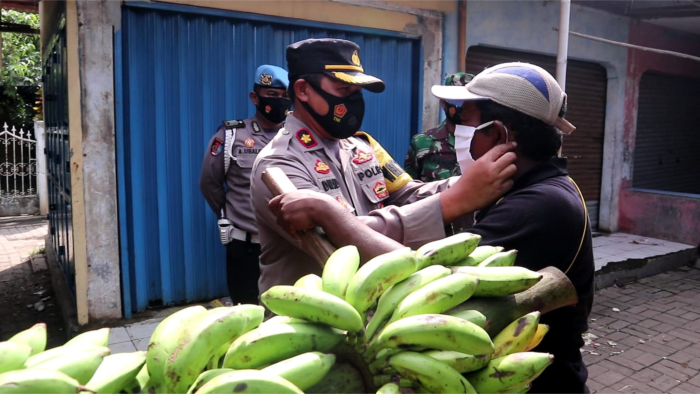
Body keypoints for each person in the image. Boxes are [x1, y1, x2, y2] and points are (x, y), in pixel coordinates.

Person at [272, 62, 594, 393]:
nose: (453, 131)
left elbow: (431, 286)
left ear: (498, 133)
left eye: (462, 120)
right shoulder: (521, 190)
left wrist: (331, 215)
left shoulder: (540, 206)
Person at [250, 38, 517, 295]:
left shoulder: (360, 147)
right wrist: (451, 202)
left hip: (370, 309)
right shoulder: (278, 166)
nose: (354, 100)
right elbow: (337, 242)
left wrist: (463, 184)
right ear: (303, 90)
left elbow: (407, 195)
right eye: (344, 90)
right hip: (305, 323)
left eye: (357, 92)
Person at [199, 64, 290, 305]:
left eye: (285, 97)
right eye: (272, 95)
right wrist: (231, 215)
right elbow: (210, 183)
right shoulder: (231, 136)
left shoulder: (296, 137)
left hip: (289, 246)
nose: (279, 102)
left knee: (288, 311)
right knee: (247, 312)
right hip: (246, 247)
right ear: (254, 97)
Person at [404, 72, 473, 182]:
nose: (463, 106)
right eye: (457, 100)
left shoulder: (487, 142)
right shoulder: (422, 142)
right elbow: (408, 190)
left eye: (468, 100)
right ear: (443, 102)